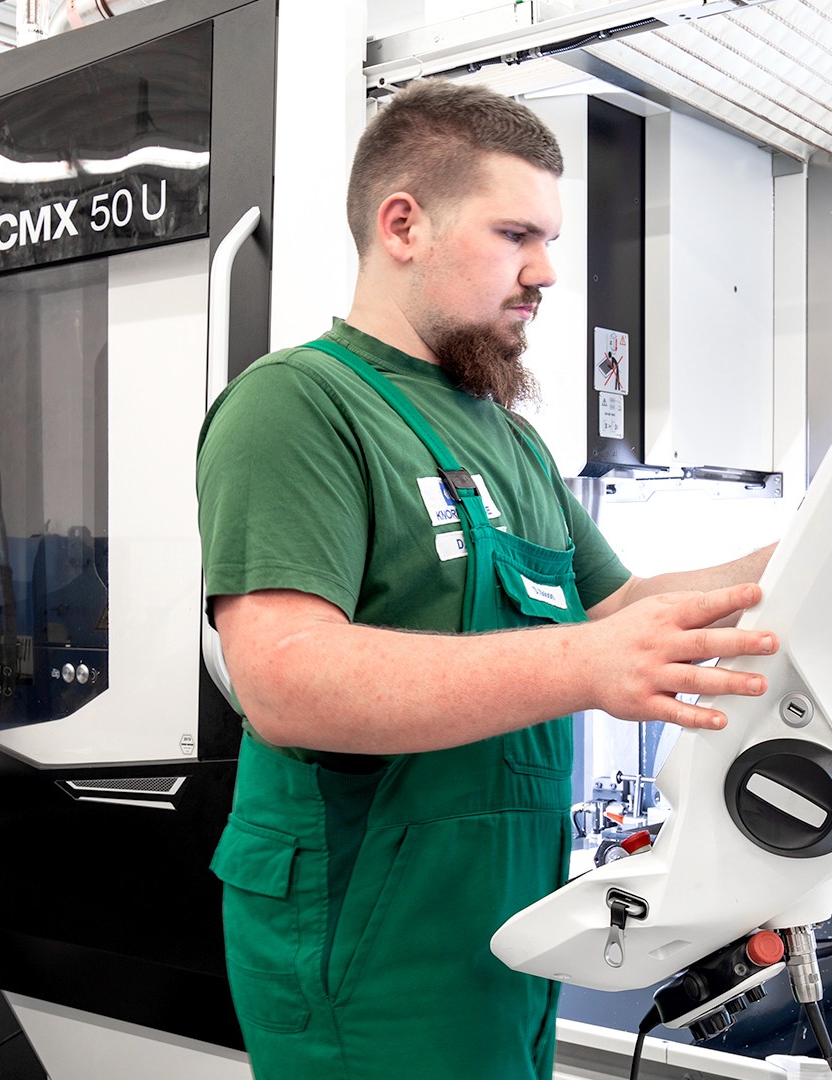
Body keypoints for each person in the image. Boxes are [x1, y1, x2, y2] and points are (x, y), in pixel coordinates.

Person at [196, 79, 778, 1080]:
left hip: (503, 926)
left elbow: (618, 614)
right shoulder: (298, 405)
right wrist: (588, 662)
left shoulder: (507, 436)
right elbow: (283, 681)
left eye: (548, 240)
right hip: (370, 945)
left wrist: (813, 559)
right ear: (403, 224)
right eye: (518, 234)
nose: (546, 271)